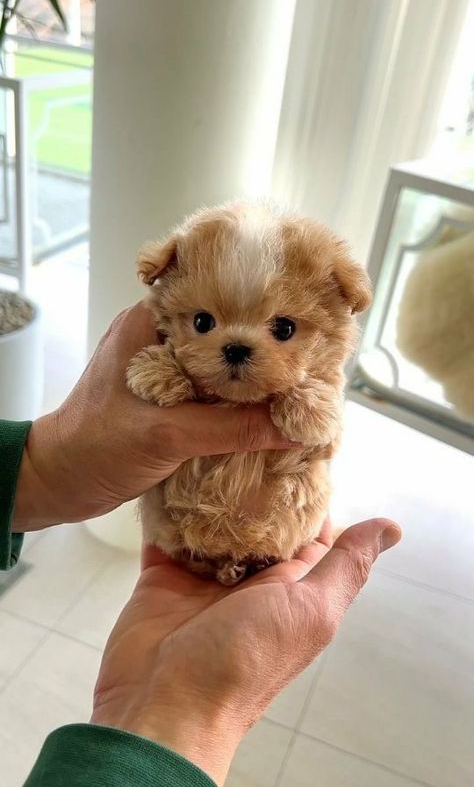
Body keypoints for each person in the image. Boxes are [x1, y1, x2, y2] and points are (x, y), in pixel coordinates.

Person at [0, 302, 401, 787]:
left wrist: (39, 473)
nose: (236, 345)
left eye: (283, 328)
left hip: (266, 540)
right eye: (204, 323)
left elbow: (319, 434)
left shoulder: (312, 382)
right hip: (181, 540)